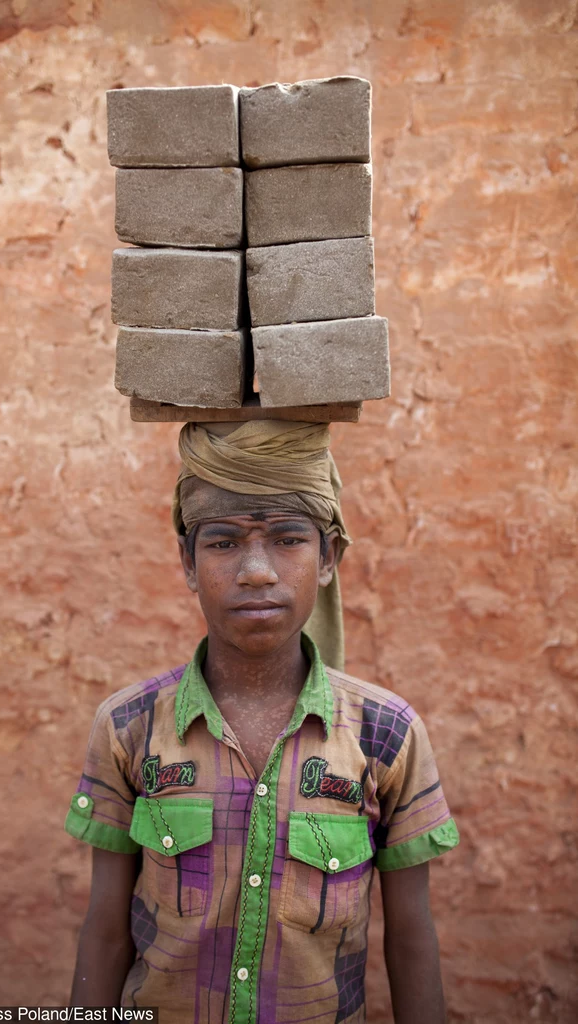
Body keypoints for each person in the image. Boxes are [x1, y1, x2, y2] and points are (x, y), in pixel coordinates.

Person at [65, 420, 459, 1024]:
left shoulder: (386, 734)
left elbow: (410, 941)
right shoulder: (130, 727)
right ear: (188, 563)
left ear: (328, 557)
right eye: (222, 543)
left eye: (287, 540)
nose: (256, 570)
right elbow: (106, 930)